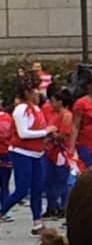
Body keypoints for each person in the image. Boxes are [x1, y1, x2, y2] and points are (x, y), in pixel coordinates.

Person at [1, 78, 52, 233]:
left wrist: (47, 136)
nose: (38, 93)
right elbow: (23, 133)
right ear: (27, 93)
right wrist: (45, 132)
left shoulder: (36, 109)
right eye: (35, 90)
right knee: (22, 189)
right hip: (21, 153)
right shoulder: (21, 109)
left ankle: (37, 222)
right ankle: (2, 211)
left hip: (37, 153)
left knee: (37, 188)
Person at [43, 88, 75, 220]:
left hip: (60, 151)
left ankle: (63, 207)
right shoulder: (56, 115)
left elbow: (63, 135)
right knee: (49, 180)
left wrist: (51, 134)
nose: (51, 104)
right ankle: (52, 206)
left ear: (60, 102)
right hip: (51, 151)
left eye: (53, 101)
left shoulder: (66, 115)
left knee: (61, 180)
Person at [0, 102, 12, 206]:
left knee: (4, 183)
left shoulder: (8, 117)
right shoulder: (8, 117)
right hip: (6, 153)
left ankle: (4, 207)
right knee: (4, 183)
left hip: (6, 154)